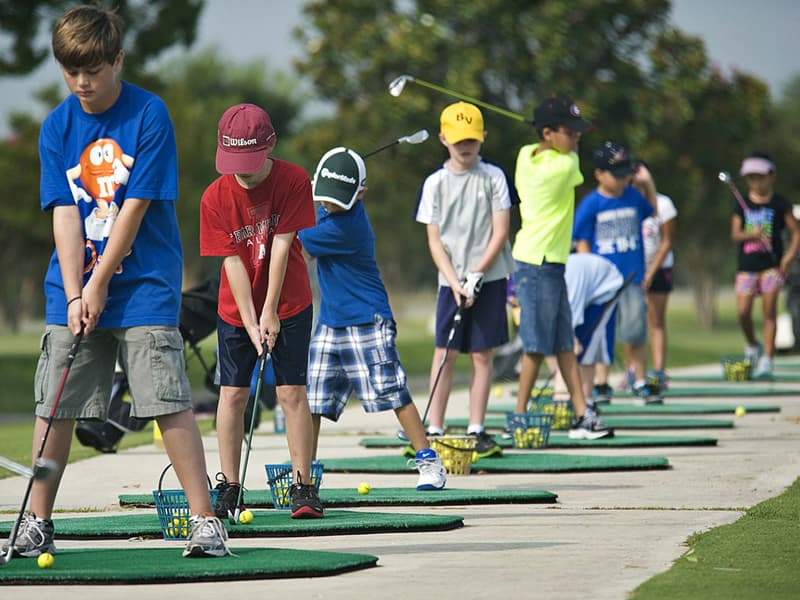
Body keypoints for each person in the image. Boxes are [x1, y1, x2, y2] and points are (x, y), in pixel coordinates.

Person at [1, 5, 229, 560]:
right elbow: (64, 212)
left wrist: (100, 281)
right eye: (71, 71)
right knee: (56, 405)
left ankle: (205, 521)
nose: (83, 82)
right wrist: (77, 290)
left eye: (94, 71)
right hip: (72, 289)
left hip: (144, 283)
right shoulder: (57, 126)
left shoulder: (149, 114)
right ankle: (36, 521)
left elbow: (134, 205)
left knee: (165, 398)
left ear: (118, 60)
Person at [199, 103, 322, 519]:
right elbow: (232, 262)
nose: (242, 171)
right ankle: (230, 487)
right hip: (235, 308)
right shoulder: (215, 197)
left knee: (291, 392)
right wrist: (251, 320)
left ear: (269, 146)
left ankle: (303, 486)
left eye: (249, 162)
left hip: (290, 301)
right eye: (234, 161)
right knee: (233, 394)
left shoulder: (293, 179)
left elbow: (283, 246)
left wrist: (270, 312)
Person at [298, 147, 447, 490]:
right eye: (324, 197)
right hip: (330, 322)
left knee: (393, 392)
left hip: (368, 320)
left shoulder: (347, 227)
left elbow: (299, 243)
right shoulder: (324, 210)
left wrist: (297, 198)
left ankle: (428, 461)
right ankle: (304, 475)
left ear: (360, 193)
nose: (329, 205)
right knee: (313, 402)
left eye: (336, 199)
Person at [414, 101, 515, 458]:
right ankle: (434, 428)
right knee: (445, 353)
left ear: (482, 137)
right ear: (443, 139)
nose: (465, 145)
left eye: (471, 138)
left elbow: (500, 230)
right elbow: (434, 238)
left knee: (482, 355)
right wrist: (455, 279)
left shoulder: (493, 177)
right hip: (450, 280)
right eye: (458, 140)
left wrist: (477, 274)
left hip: (489, 277)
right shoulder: (436, 183)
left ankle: (476, 428)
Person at [511, 95, 611, 439]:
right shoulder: (566, 166)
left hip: (548, 262)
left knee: (564, 342)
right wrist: (557, 140)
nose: (577, 138)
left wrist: (549, 134)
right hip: (537, 262)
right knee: (536, 346)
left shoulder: (525, 156)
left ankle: (582, 414)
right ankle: (519, 418)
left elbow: (537, 148)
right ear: (549, 133)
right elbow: (571, 163)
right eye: (572, 133)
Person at [573, 142, 660, 404]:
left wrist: (648, 183)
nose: (624, 177)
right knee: (601, 334)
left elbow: (653, 211)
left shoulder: (633, 196)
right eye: (616, 172)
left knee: (635, 331)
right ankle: (601, 383)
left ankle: (641, 380)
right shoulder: (591, 203)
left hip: (632, 277)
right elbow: (582, 242)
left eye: (626, 171)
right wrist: (589, 277)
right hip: (602, 284)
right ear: (599, 174)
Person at [730, 153, 800, 377]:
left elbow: (795, 231)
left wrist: (789, 257)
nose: (756, 182)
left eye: (760, 177)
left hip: (772, 266)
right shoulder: (742, 202)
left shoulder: (780, 203)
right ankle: (752, 344)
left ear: (771, 176)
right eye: (751, 178)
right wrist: (751, 234)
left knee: (769, 311)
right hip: (747, 265)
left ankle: (767, 359)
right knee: (743, 312)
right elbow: (735, 233)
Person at [546, 254, 624, 416]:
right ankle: (569, 399)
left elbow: (569, 332)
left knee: (589, 346)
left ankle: (586, 401)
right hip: (588, 286)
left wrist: (572, 340)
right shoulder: (547, 286)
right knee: (570, 344)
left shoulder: (569, 282)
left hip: (605, 287)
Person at [638, 160, 677, 391]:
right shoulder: (627, 201)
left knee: (656, 319)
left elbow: (667, 241)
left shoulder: (664, 204)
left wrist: (651, 273)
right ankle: (635, 371)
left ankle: (659, 371)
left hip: (660, 269)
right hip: (635, 269)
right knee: (633, 323)